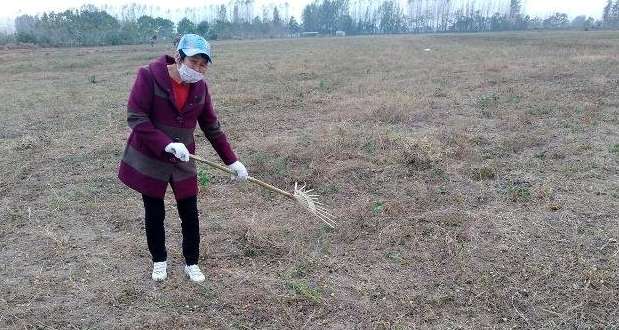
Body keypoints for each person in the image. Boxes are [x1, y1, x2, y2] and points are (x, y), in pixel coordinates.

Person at [118, 34, 248, 282]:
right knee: (154, 212)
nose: (198, 69)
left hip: (184, 158)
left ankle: (192, 262)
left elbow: (211, 126)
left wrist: (232, 161)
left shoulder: (200, 86)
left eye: (203, 65)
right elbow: (136, 117)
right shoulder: (149, 76)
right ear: (179, 57)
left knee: (189, 211)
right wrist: (165, 144)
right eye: (193, 61)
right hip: (151, 155)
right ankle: (159, 260)